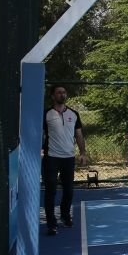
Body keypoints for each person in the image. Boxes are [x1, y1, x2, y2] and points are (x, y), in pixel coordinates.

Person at [42, 85, 87, 235]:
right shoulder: (46, 114)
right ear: (52, 96)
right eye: (59, 92)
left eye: (64, 92)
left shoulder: (74, 114)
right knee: (51, 191)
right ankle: (51, 223)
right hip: (51, 158)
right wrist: (39, 150)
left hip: (69, 158)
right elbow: (40, 134)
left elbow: (79, 135)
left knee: (68, 191)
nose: (62, 94)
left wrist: (82, 153)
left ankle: (65, 216)